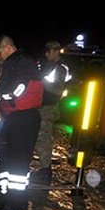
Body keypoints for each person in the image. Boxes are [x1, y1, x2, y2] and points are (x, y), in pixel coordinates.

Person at [0, 35, 43, 210]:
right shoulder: (16, 62)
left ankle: (12, 205)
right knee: (16, 163)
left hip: (22, 118)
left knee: (15, 162)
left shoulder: (22, 63)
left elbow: (15, 92)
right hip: (17, 117)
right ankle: (17, 201)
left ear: (8, 47)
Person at [32, 41, 71, 184]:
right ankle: (44, 168)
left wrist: (41, 82)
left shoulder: (60, 68)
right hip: (43, 105)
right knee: (40, 137)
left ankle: (45, 170)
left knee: (43, 138)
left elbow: (57, 90)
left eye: (49, 51)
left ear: (56, 51)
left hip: (49, 107)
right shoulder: (49, 66)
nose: (47, 54)